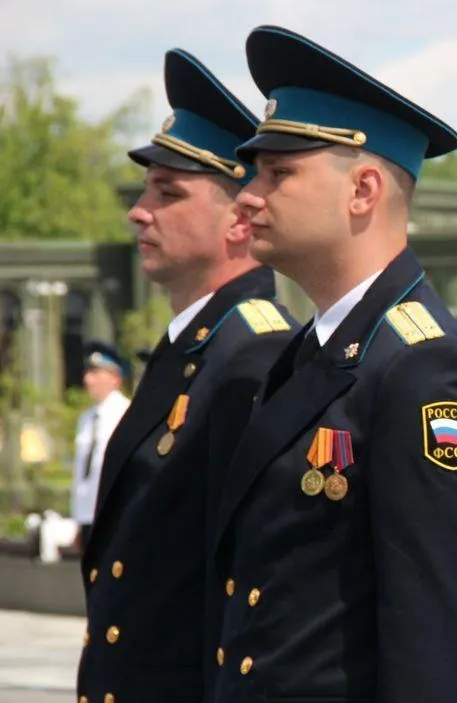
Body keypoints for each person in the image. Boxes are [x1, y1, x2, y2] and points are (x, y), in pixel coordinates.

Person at [213, 25, 457, 702]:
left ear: (363, 190)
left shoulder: (425, 371)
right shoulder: (315, 352)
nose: (249, 195)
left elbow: (437, 654)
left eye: (279, 172)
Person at [77, 49, 298, 703]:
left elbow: (246, 588)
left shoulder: (254, 357)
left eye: (168, 193)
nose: (139, 211)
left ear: (238, 218)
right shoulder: (194, 349)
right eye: (147, 190)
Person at [71, 343, 131, 549]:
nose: (88, 379)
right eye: (88, 372)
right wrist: (77, 519)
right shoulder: (86, 419)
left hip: (113, 516)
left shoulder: (126, 414)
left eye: (96, 373)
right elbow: (80, 473)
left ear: (115, 377)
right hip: (88, 514)